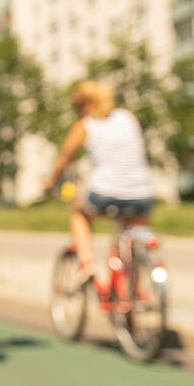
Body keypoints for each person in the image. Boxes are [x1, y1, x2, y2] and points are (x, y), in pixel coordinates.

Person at [44, 80, 155, 283]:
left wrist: (51, 183)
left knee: (78, 213)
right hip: (143, 194)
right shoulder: (128, 118)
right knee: (131, 240)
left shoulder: (86, 125)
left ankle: (87, 263)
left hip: (105, 193)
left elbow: (63, 160)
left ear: (85, 104)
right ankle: (133, 287)